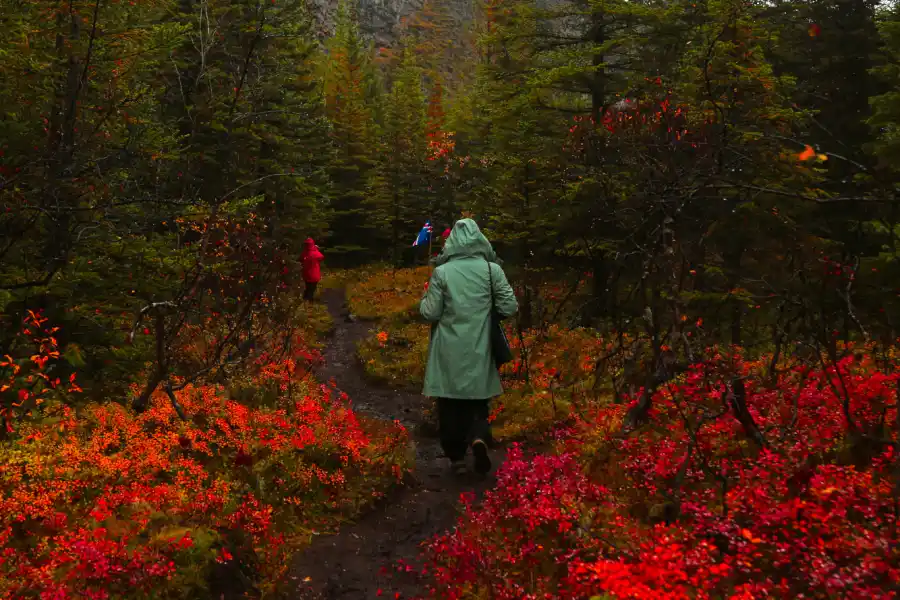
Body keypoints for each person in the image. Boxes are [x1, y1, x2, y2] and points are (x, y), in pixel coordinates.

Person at [420, 219, 518, 475]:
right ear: (480, 239)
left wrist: (424, 297)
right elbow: (509, 307)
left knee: (449, 404)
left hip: (448, 349)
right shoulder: (491, 270)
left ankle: (456, 459)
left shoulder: (442, 272)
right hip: (481, 346)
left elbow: (430, 313)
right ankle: (478, 438)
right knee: (478, 402)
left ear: (451, 241)